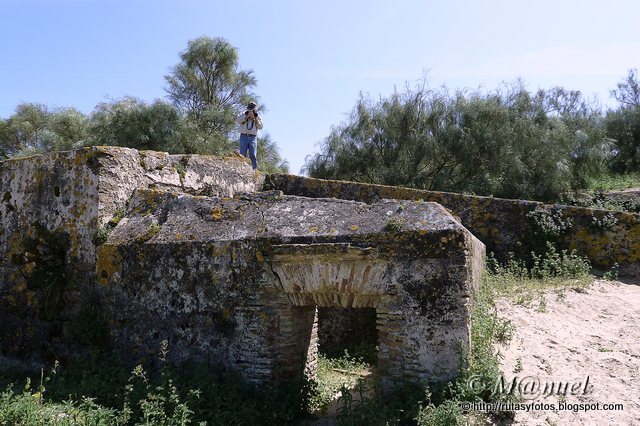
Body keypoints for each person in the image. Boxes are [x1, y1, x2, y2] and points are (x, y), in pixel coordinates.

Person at [236, 101, 263, 169]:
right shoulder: (243, 114)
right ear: (247, 108)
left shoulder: (257, 116)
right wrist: (246, 117)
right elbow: (237, 121)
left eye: (252, 109)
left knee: (253, 155)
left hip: (253, 137)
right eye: (250, 109)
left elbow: (261, 127)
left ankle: (254, 171)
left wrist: (255, 118)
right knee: (242, 154)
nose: (251, 110)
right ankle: (241, 168)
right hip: (243, 136)